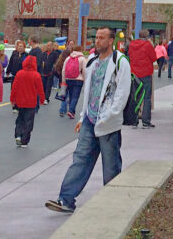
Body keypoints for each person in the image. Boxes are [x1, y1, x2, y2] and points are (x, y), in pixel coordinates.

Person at [45, 27, 131, 214]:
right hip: (89, 121)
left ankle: (113, 203)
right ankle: (66, 199)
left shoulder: (120, 62)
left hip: (108, 123)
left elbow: (122, 94)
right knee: (80, 159)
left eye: (102, 38)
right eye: (96, 37)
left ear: (110, 41)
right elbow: (88, 91)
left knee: (111, 165)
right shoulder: (91, 61)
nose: (97, 41)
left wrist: (110, 116)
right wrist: (83, 116)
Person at [10, 54, 46, 147]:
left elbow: (14, 87)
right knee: (29, 121)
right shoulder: (36, 75)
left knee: (20, 119)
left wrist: (12, 99)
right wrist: (42, 99)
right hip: (31, 101)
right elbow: (40, 89)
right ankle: (24, 140)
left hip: (20, 100)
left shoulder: (19, 74)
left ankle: (18, 135)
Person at [127, 30, 157, 128]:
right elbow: (153, 58)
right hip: (146, 72)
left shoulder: (132, 45)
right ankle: (146, 121)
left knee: (135, 96)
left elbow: (130, 56)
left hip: (134, 73)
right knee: (147, 98)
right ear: (147, 36)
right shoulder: (147, 45)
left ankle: (134, 121)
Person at [59, 45, 85, 119]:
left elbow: (63, 70)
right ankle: (71, 111)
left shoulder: (68, 58)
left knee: (70, 96)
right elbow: (84, 71)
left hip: (68, 79)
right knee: (75, 97)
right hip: (78, 80)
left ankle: (72, 112)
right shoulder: (82, 59)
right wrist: (85, 80)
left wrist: (63, 80)